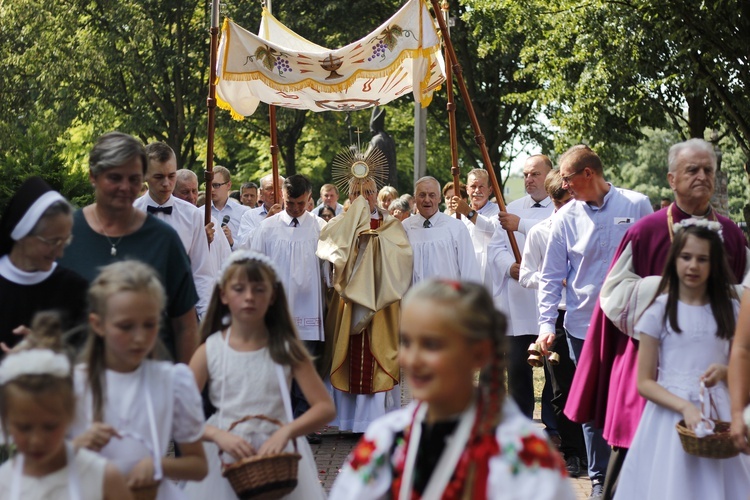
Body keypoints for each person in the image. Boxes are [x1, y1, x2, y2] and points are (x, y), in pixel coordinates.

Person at [565, 138, 748, 499]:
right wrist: (665, 293)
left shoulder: (731, 235)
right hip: (654, 365)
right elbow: (614, 295)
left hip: (718, 366)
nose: (701, 177)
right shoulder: (645, 231)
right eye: (691, 170)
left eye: (707, 170)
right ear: (671, 179)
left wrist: (724, 297)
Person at [329, 280, 574, 499]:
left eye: (432, 345)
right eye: (406, 342)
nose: (413, 359)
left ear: (479, 353)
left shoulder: (523, 454)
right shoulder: (385, 440)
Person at [536, 145, 652, 498]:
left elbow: (654, 261)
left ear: (589, 174)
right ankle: (600, 482)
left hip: (633, 326)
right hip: (583, 327)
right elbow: (551, 275)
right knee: (592, 405)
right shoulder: (565, 219)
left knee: (633, 400)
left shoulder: (637, 205)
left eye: (568, 180)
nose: (564, 187)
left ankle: (633, 476)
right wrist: (545, 325)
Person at [614, 221, 750, 498]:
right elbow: (644, 382)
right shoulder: (659, 312)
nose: (693, 266)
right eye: (686, 257)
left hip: (719, 415)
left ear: (715, 264)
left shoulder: (732, 309)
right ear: (674, 258)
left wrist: (725, 372)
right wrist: (685, 407)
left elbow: (741, 357)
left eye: (703, 259)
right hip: (669, 418)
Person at [185, 251, 335, 500]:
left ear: (273, 295)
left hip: (278, 455)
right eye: (239, 289)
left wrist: (286, 432)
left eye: (258, 289)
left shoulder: (285, 348)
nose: (249, 297)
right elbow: (180, 413)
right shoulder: (209, 350)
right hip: (226, 457)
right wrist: (216, 434)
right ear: (223, 294)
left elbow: (324, 407)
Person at [70, 261, 207, 499]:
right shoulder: (75, 383)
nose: (140, 338)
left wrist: (158, 465)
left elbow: (198, 465)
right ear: (98, 324)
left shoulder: (173, 381)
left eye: (150, 325)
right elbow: (43, 462)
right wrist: (78, 446)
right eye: (126, 327)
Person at [58, 132, 199, 364]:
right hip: (82, 379)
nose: (125, 187)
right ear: (93, 176)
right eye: (115, 178)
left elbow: (185, 325)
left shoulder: (164, 239)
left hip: (151, 377)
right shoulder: (67, 235)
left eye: (133, 179)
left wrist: (184, 387)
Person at [0, 314, 130, 500]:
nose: (37, 440)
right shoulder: (4, 484)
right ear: (6, 420)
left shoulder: (103, 478)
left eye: (49, 426)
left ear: (70, 413)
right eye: (24, 427)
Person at [317, 177, 412, 432]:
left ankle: (374, 421)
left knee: (377, 355)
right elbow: (328, 259)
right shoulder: (339, 223)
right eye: (359, 192)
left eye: (370, 192)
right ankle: (349, 421)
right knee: (347, 354)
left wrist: (376, 244)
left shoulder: (390, 225)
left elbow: (402, 258)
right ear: (351, 195)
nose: (366, 197)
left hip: (381, 303)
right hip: (348, 303)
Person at [518, 169, 586, 478]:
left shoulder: (590, 227)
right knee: (562, 387)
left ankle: (593, 449)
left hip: (588, 313)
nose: (567, 207)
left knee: (592, 382)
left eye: (571, 199)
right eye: (560, 202)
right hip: (557, 318)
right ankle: (572, 452)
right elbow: (525, 273)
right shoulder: (540, 232)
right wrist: (552, 279)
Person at [487, 155, 554, 433]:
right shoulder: (510, 209)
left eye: (535, 174)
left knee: (553, 372)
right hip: (518, 302)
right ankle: (521, 425)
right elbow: (496, 249)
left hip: (548, 302)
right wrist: (509, 266)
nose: (529, 179)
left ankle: (553, 425)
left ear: (550, 176)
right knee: (516, 368)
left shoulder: (562, 209)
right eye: (526, 174)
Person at [0, 177, 87, 352]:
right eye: (52, 242)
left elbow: (84, 356)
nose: (60, 253)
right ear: (22, 234)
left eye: (64, 241)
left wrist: (48, 350)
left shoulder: (74, 289)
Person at [134, 143, 214, 319]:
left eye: (171, 176)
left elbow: (201, 272)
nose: (166, 183)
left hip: (182, 315)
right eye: (158, 177)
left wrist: (207, 317)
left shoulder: (193, 215)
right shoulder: (129, 213)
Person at [401, 176, 481, 285]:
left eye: (432, 195)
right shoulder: (405, 227)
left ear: (439, 198)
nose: (427, 200)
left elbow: (469, 270)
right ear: (415, 198)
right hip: (415, 299)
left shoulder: (456, 228)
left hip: (448, 298)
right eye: (422, 195)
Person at [173, 169, 231, 281]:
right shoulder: (170, 220)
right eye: (185, 192)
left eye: (194, 191)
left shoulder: (210, 220)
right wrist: (200, 239)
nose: (191, 197)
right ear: (173, 193)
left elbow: (226, 259)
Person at [450, 168, 500, 282]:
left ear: (490, 190)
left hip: (490, 276)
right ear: (467, 189)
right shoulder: (456, 218)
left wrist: (468, 212)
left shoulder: (499, 212)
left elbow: (492, 231)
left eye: (481, 186)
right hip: (464, 275)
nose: (477, 190)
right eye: (473, 186)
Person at [236, 173, 285, 249]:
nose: (273, 192)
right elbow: (243, 246)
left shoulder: (292, 215)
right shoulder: (250, 215)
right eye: (269, 188)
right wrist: (268, 220)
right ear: (261, 193)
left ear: (285, 192)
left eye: (279, 188)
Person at [209, 165, 248, 249]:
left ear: (228, 185)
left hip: (233, 260)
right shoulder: (201, 212)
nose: (211, 189)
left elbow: (249, 246)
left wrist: (231, 241)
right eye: (209, 185)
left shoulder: (243, 212)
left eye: (216, 185)